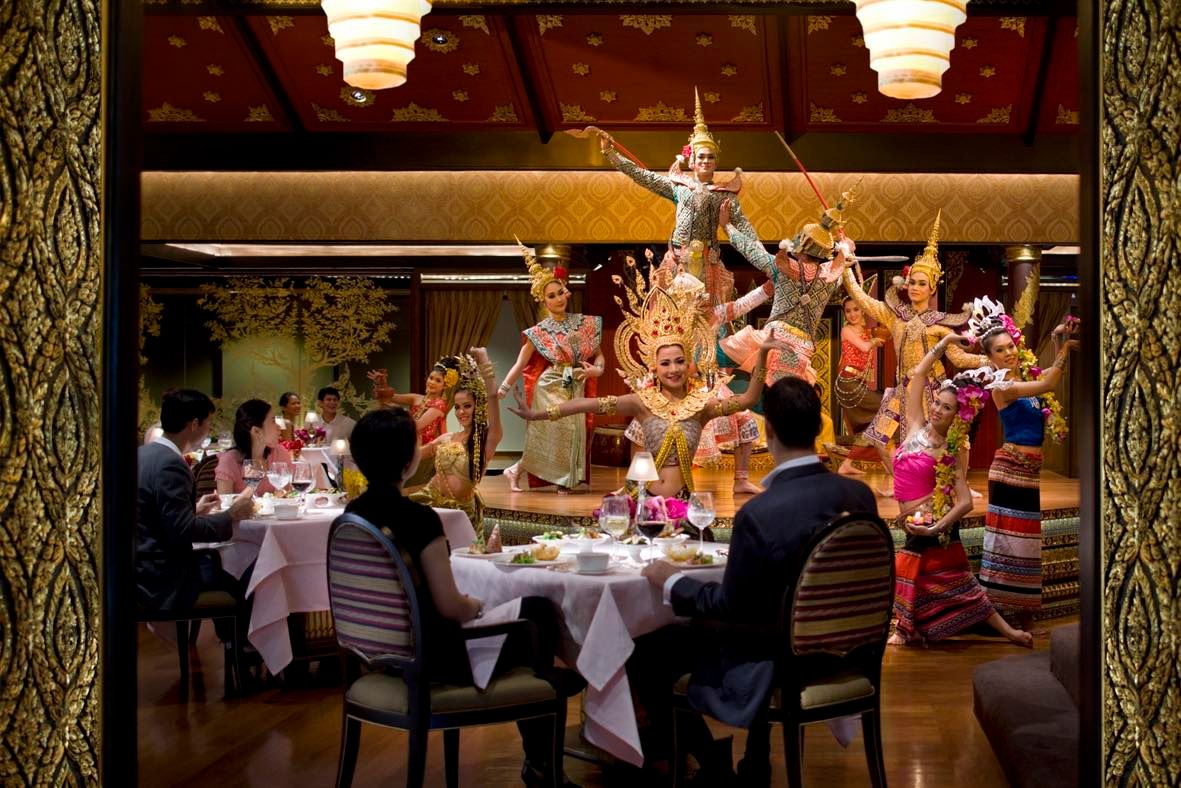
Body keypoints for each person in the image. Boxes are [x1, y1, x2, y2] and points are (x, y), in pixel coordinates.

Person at [639, 377, 878, 784]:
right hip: (846, 653)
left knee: (648, 648)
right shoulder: (860, 497)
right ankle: (754, 763)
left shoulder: (760, 513)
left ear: (768, 431)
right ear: (817, 428)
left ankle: (709, 764)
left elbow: (730, 608)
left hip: (776, 660)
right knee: (767, 613)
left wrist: (672, 581)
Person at [343, 406, 578, 786]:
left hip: (381, 656)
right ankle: (546, 722)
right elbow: (451, 606)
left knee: (529, 618)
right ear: (409, 461)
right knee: (537, 613)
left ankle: (549, 699)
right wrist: (477, 604)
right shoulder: (420, 519)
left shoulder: (352, 515)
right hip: (435, 661)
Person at [511, 273, 777, 500]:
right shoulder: (642, 402)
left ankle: (740, 479)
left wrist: (762, 355)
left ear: (688, 364)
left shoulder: (701, 406)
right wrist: (538, 414)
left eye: (679, 362)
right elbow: (585, 404)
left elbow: (747, 400)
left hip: (682, 503)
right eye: (665, 364)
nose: (673, 369)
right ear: (655, 368)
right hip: (643, 502)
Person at [889, 333, 1033, 648]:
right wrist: (946, 343)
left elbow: (965, 501)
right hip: (913, 522)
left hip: (932, 525)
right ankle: (910, 628)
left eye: (947, 408)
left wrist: (936, 527)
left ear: (957, 415)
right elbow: (919, 374)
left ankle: (1007, 633)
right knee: (937, 580)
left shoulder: (949, 451)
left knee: (956, 584)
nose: (938, 410)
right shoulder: (914, 424)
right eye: (937, 403)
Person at [841, 211, 989, 496]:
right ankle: (902, 481)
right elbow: (860, 298)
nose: (915, 288)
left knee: (957, 439)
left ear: (932, 288)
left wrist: (987, 360)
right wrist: (846, 267)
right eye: (912, 282)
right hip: (904, 388)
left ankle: (961, 485)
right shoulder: (895, 315)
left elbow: (958, 359)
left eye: (922, 283)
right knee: (878, 437)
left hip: (935, 389)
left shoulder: (939, 324)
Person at [968, 297, 1080, 627]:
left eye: (1010, 346)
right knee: (1010, 542)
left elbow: (1042, 380)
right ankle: (1001, 613)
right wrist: (1066, 350)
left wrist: (1058, 339)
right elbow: (1048, 382)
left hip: (1027, 472)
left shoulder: (1024, 381)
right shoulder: (1002, 386)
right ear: (989, 357)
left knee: (1026, 542)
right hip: (1010, 471)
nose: (1009, 353)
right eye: (1000, 350)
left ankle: (1022, 611)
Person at [720, 190, 858, 386]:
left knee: (711, 356)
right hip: (801, 355)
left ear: (802, 243)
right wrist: (847, 250)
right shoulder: (829, 278)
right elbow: (841, 265)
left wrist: (726, 226)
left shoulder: (783, 268)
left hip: (770, 341)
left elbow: (750, 250)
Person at [137, 388, 254, 619]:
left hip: (139, 568)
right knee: (251, 574)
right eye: (208, 423)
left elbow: (153, 514)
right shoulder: (171, 465)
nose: (208, 430)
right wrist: (230, 515)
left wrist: (194, 510)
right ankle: (242, 641)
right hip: (162, 577)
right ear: (194, 424)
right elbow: (184, 531)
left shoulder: (143, 454)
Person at [497, 243, 604, 493]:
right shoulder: (539, 332)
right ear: (543, 300)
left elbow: (599, 356)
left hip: (575, 382)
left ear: (567, 293)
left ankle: (522, 471)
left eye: (560, 293)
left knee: (575, 430)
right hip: (550, 385)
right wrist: (502, 388)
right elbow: (521, 363)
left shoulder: (583, 324)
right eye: (551, 296)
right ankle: (558, 480)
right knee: (552, 434)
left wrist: (596, 371)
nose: (557, 299)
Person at [410, 349, 503, 535]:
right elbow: (414, 456)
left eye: (467, 406)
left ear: (479, 406)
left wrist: (483, 359)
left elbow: (492, 396)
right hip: (431, 504)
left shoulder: (486, 440)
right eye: (457, 407)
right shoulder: (446, 438)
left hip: (462, 514)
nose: (461, 412)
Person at [369, 356, 461, 488]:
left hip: (424, 453)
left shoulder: (439, 405)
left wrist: (399, 412)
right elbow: (389, 397)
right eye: (431, 378)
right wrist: (381, 383)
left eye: (438, 380)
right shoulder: (416, 398)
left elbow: (416, 426)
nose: (432, 382)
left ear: (444, 385)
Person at [832, 296, 887, 475]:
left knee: (871, 426)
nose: (852, 314)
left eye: (856, 309)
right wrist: (874, 342)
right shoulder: (846, 330)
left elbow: (886, 330)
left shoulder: (866, 331)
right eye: (848, 311)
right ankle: (887, 461)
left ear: (863, 310)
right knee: (887, 408)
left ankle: (848, 463)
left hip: (857, 384)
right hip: (847, 383)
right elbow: (864, 347)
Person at [214, 398, 292, 496]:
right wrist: (251, 488)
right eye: (273, 421)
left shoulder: (279, 453)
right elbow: (224, 503)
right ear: (256, 431)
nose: (279, 426)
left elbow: (288, 496)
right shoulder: (229, 461)